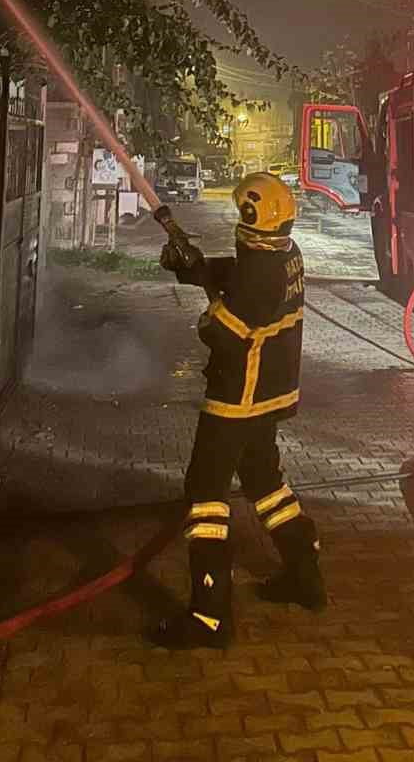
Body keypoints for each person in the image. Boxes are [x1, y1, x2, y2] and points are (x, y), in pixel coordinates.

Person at [153, 172, 325, 648]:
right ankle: (304, 576)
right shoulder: (284, 254)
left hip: (237, 398)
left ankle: (208, 616)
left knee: (205, 495)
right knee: (265, 483)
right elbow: (238, 273)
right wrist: (196, 268)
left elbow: (222, 333)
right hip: (270, 395)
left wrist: (209, 314)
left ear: (251, 217)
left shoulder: (259, 274)